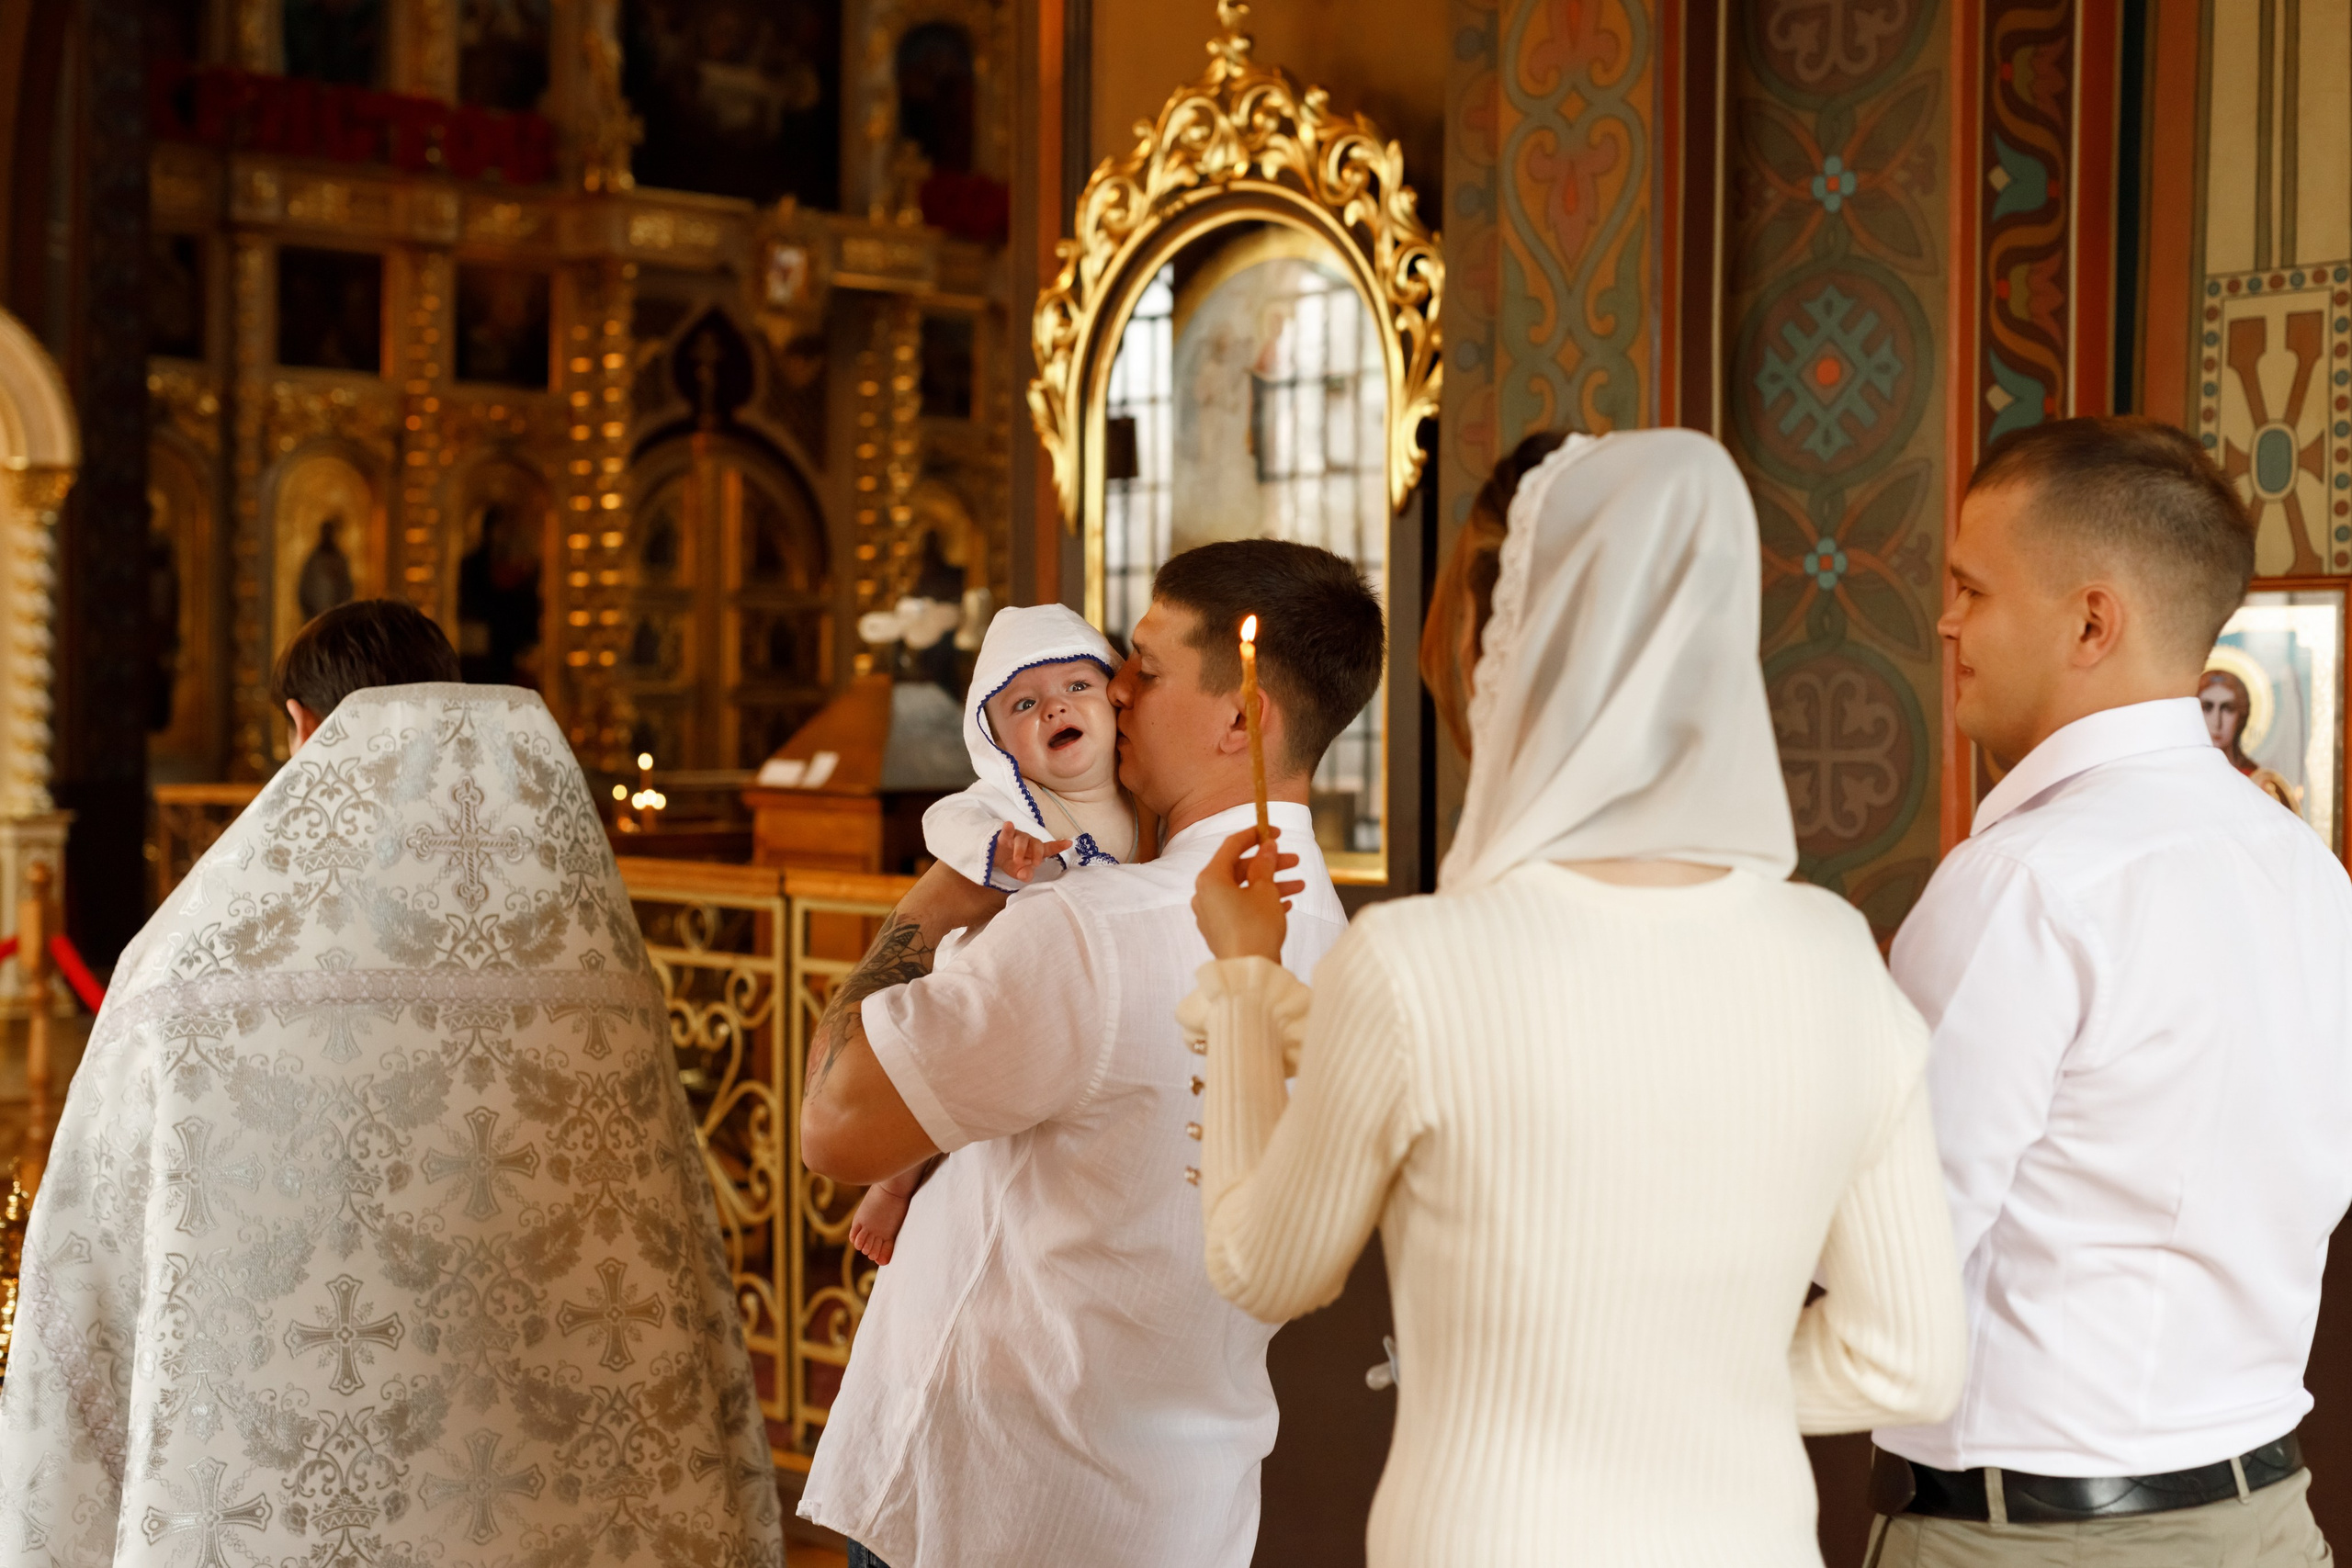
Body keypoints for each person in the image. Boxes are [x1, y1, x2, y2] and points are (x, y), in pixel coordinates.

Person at [1184, 428, 1967, 1567]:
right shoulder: (1833, 954)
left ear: (1497, 640)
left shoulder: (1417, 964)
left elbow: (1265, 1269)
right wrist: (1697, 1385)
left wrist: (1244, 992)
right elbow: (1908, 1360)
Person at [0, 599, 783, 1568]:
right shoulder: (585, 951)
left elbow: (96, 1247)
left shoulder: (197, 959)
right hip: (545, 1485)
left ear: (303, 728)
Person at [794, 541, 1385, 1568]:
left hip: (992, 1503)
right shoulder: (1347, 953)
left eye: (1144, 670)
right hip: (1181, 1513)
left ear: (1240, 720)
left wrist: (952, 884)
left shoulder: (1094, 928)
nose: (1113, 690)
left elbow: (835, 1123)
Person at [1869, 417, 2352, 1564]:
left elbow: (1894, 1259)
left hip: (2035, 1538)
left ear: (2091, 621)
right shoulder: (2309, 871)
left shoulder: (2021, 881)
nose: (1943, 623)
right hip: (2268, 1524)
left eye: (1970, 589)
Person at [848, 604, 1143, 1264]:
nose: (1054, 708)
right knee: (945, 1084)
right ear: (998, 743)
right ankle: (893, 1184)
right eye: (1024, 705)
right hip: (996, 972)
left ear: (1115, 698)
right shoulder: (1012, 802)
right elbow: (944, 819)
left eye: (1078, 686)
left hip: (1082, 988)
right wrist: (999, 848)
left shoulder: (1142, 796)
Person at [2198, 665, 2301, 813]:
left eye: (2227, 708)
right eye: (2207, 707)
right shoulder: (2186, 778)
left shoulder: (2258, 783)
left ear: (2241, 716)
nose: (2216, 721)